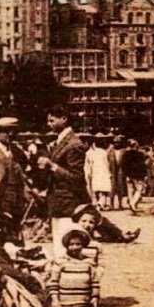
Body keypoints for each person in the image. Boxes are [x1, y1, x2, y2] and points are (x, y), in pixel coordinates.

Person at [39, 105, 89, 260]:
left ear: (64, 119)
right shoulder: (62, 142)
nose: (49, 124)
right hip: (59, 201)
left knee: (66, 246)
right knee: (59, 245)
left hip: (68, 201)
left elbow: (76, 177)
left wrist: (52, 166)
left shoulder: (74, 145)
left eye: (52, 120)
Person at [84, 137, 112, 208]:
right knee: (100, 189)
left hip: (98, 172)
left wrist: (89, 173)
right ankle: (101, 203)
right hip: (101, 172)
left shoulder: (89, 153)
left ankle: (100, 203)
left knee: (99, 189)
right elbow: (107, 163)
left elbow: (89, 165)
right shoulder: (102, 152)